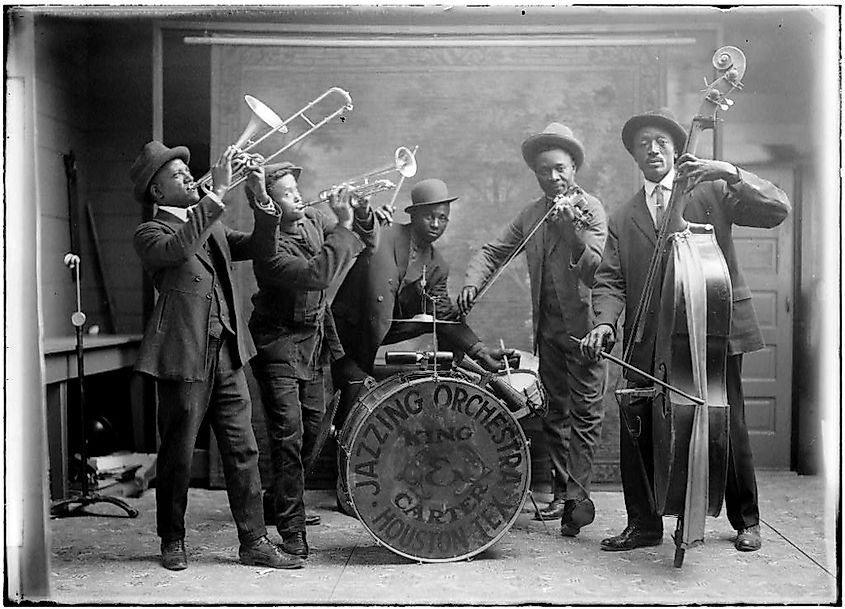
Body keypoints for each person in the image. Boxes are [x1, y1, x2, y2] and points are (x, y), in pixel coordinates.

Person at [580, 108, 791, 553]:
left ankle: (746, 520)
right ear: (634, 156)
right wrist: (603, 322)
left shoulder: (711, 189)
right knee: (636, 418)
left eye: (660, 142)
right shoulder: (623, 216)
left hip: (712, 325)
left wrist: (729, 171)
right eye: (643, 144)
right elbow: (610, 280)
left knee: (724, 418)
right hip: (649, 334)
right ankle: (644, 524)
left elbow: (777, 209)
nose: (653, 150)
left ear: (676, 148)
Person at [131, 141, 303, 571]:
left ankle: (254, 541)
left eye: (188, 172)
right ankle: (172, 539)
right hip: (183, 354)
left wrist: (260, 198)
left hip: (227, 350)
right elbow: (179, 251)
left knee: (243, 449)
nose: (189, 177)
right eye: (177, 175)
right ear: (157, 193)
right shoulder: (151, 233)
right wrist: (216, 193)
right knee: (178, 453)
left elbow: (260, 250)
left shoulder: (208, 223)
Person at [457, 123, 608, 537]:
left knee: (586, 415)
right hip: (551, 334)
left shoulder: (590, 209)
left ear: (574, 167)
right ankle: (560, 493)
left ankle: (577, 497)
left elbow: (596, 267)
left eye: (560, 169)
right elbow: (494, 251)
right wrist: (474, 280)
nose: (553, 178)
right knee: (555, 413)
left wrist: (570, 229)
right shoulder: (531, 214)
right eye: (545, 171)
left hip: (589, 334)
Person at [247, 162, 378, 559]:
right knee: (288, 435)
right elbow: (318, 274)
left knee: (314, 431)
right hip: (279, 344)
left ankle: (278, 500)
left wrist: (363, 213)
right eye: (286, 194)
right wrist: (343, 223)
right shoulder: (267, 247)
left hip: (316, 341)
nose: (298, 197)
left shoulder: (313, 220)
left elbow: (366, 243)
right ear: (268, 203)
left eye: (296, 189)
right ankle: (291, 529)